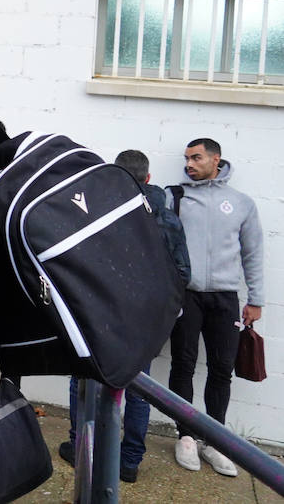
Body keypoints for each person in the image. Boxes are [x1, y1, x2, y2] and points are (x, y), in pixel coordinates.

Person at [59, 148, 188, 484]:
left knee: (84, 380)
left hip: (102, 314)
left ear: (114, 174)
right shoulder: (167, 217)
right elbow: (181, 271)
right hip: (145, 320)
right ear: (148, 178)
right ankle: (129, 462)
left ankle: (80, 448)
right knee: (139, 386)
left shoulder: (98, 208)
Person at [168, 137, 264, 477]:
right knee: (184, 362)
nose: (189, 164)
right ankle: (186, 436)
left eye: (196, 158)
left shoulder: (241, 203)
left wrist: (256, 299)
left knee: (222, 368)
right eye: (187, 158)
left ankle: (215, 439)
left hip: (225, 298)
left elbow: (252, 253)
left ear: (216, 159)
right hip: (188, 296)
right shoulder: (176, 198)